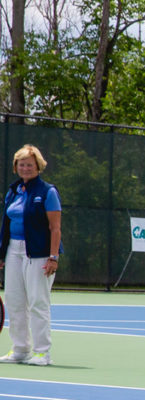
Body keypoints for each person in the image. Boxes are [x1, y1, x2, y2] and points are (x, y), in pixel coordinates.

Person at [1, 144, 63, 366]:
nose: (25, 168)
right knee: (15, 301)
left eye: (30, 164)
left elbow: (55, 228)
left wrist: (53, 257)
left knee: (38, 302)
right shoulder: (13, 191)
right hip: (13, 252)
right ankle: (20, 349)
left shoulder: (48, 192)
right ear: (16, 167)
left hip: (38, 253)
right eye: (21, 164)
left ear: (38, 166)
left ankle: (42, 352)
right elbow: (6, 224)